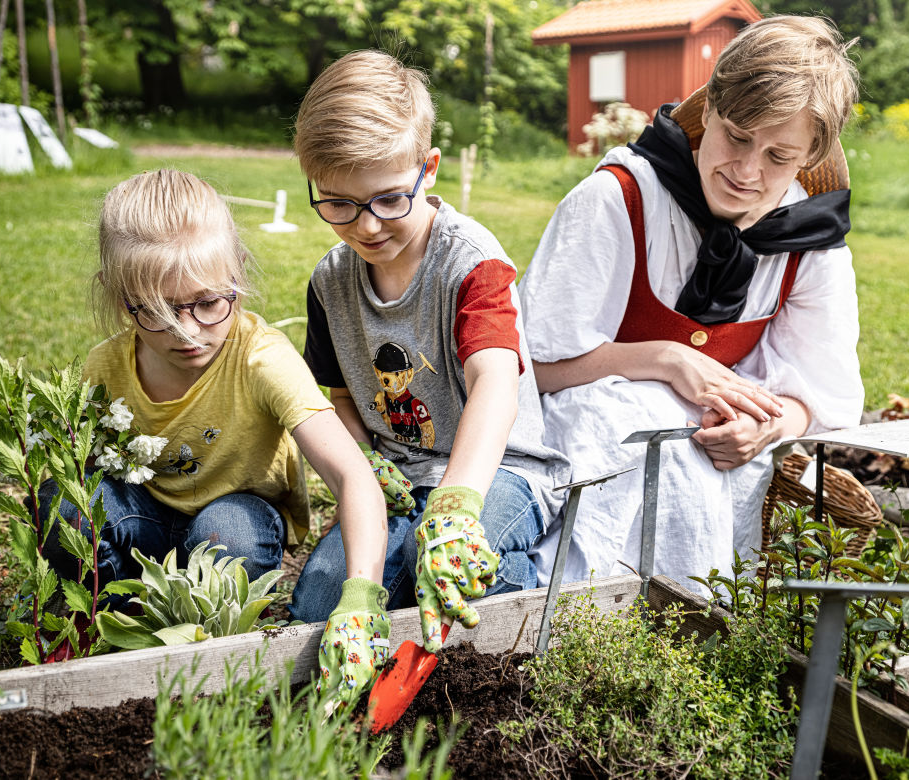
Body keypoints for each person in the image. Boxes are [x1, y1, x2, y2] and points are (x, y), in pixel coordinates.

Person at [520, 16, 864, 592]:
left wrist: (769, 426)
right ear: (709, 111)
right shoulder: (620, 199)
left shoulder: (811, 247)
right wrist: (661, 359)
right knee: (634, 425)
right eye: (736, 134)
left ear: (810, 156)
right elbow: (531, 371)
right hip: (595, 454)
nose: (747, 172)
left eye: (779, 156)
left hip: (715, 466)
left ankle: (700, 621)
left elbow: (819, 398)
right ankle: (582, 610)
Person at [37, 169, 391, 705]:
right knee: (62, 503)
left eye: (208, 304)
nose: (188, 331)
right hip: (147, 524)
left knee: (228, 534)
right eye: (156, 311)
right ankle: (107, 613)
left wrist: (361, 595)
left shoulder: (259, 358)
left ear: (237, 275)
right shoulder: (105, 367)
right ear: (119, 296)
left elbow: (352, 476)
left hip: (236, 523)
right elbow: (80, 474)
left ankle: (199, 633)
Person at [288, 50, 569, 652]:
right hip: (394, 476)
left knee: (449, 578)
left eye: (389, 199)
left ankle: (522, 593)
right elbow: (340, 397)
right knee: (317, 604)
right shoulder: (329, 281)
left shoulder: (472, 263)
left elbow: (495, 380)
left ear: (429, 168)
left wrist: (458, 502)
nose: (365, 227)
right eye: (338, 203)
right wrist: (366, 465)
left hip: (497, 472)